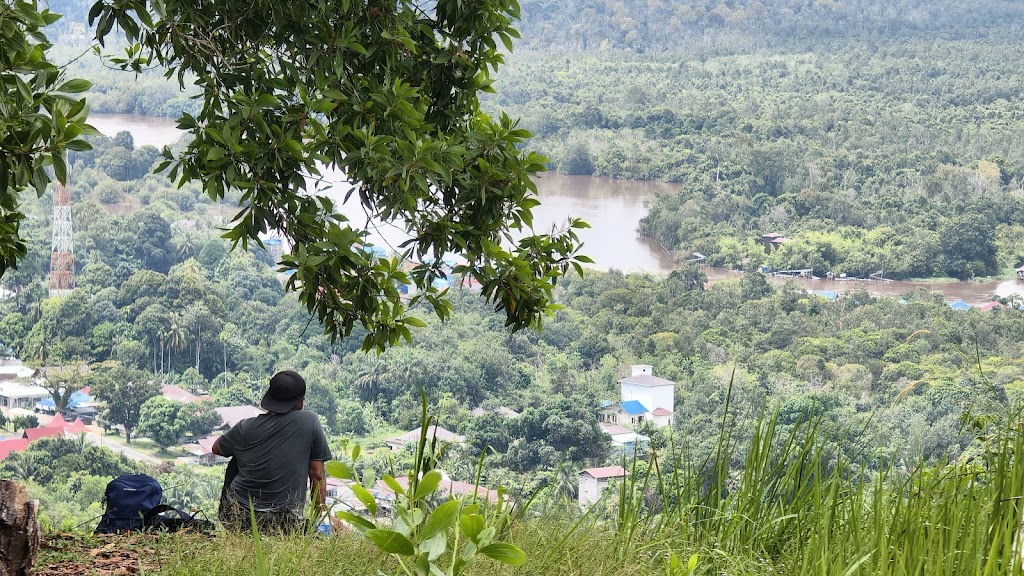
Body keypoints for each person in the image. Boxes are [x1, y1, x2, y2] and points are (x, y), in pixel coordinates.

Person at [213, 370, 331, 533]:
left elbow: (216, 448)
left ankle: (232, 526)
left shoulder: (244, 427)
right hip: (285, 522)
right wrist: (319, 519)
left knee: (236, 457)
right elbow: (317, 474)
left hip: (238, 516)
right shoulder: (309, 421)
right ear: (300, 403)